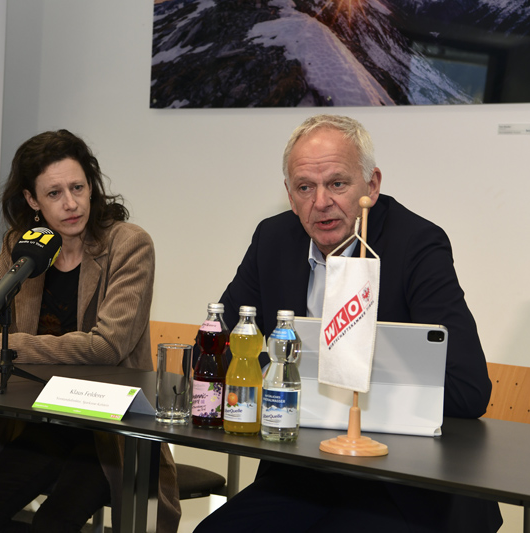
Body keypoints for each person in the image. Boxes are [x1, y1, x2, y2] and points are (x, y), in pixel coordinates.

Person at [195, 115, 502, 532]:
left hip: (404, 482)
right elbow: (213, 354)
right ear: (289, 195)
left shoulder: (417, 244)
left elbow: (468, 390)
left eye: (337, 184)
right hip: (302, 473)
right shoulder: (273, 239)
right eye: (305, 187)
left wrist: (317, 375)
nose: (321, 202)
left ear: (371, 185)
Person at [0, 130, 180, 533]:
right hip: (43, 420)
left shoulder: (128, 244)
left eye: (78, 188)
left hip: (108, 429)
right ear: (32, 200)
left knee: (53, 523)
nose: (71, 203)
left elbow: (107, 346)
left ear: (92, 186)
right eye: (54, 193)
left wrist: (2, 348)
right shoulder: (23, 244)